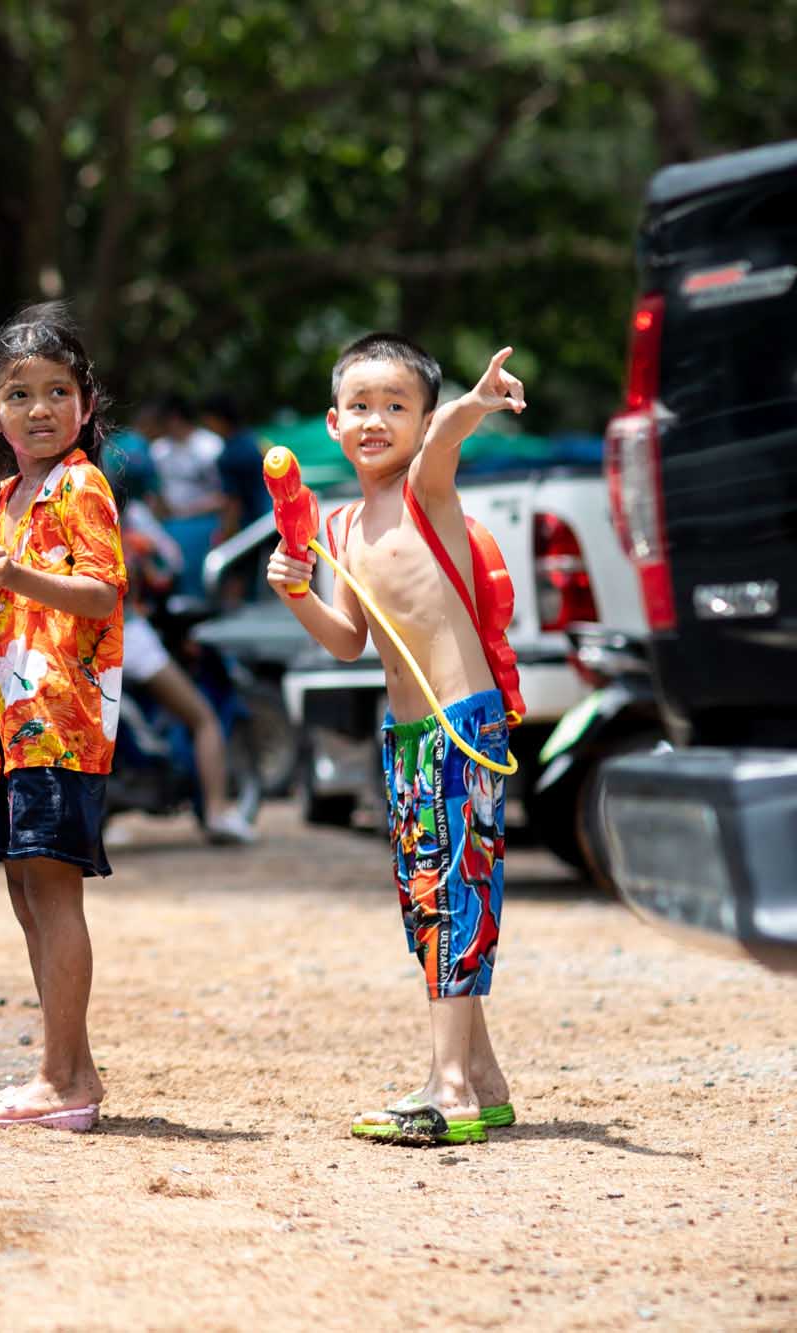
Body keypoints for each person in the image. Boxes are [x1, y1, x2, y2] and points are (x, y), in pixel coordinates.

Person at [266, 334, 527, 1146]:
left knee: (455, 897)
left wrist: (475, 403)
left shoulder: (425, 489)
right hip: (408, 736)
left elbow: (448, 437)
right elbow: (348, 640)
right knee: (429, 908)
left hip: (462, 724)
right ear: (332, 422)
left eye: (397, 406)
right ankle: (482, 1078)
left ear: (419, 420)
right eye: (360, 406)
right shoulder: (338, 526)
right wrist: (298, 592)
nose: (376, 420)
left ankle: (448, 1088)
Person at [0, 302, 127, 1133]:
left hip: (59, 718)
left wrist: (14, 577)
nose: (40, 409)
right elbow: (9, 601)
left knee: (54, 894)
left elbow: (100, 592)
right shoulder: (0, 496)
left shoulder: (81, 484)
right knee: (27, 891)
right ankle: (72, 1067)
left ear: (86, 404)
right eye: (19, 395)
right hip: (3, 718)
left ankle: (62, 1082)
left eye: (58, 391)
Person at [118, 497, 256, 845]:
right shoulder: (130, 524)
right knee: (203, 718)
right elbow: (167, 568)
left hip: (72, 640)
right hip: (126, 635)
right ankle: (216, 811)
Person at [146, 393, 232, 597]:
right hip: (169, 523)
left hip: (204, 523)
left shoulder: (210, 446)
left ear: (175, 418)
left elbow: (224, 495)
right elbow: (155, 491)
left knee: (198, 571)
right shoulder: (159, 450)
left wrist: (187, 510)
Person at [201, 391, 268, 539]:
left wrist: (224, 536)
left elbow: (233, 504)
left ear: (218, 419)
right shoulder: (254, 440)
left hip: (254, 529)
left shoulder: (229, 457)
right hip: (274, 520)